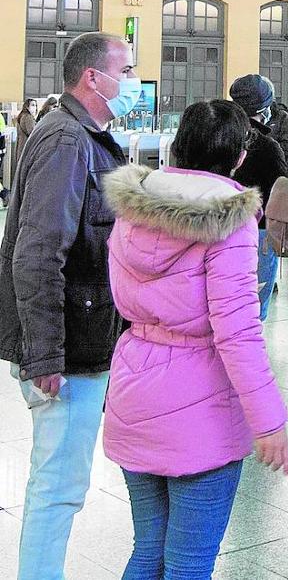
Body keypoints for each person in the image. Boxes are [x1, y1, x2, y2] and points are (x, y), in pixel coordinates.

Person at [100, 100, 288, 578]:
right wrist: (269, 421)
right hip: (200, 409)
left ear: (178, 145)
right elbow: (238, 331)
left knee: (147, 552)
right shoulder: (230, 220)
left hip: (133, 390)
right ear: (239, 158)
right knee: (189, 564)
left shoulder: (133, 208)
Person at [0, 32, 135, 580]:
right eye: (125, 73)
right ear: (92, 78)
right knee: (57, 485)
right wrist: (46, 357)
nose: (132, 84)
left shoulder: (83, 136)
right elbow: (37, 253)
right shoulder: (66, 141)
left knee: (62, 482)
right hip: (66, 347)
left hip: (83, 335)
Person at [228, 75, 286, 322]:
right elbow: (281, 190)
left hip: (216, 228)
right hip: (259, 232)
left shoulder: (219, 136)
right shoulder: (268, 146)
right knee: (252, 312)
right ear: (265, 107)